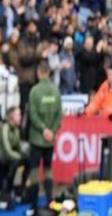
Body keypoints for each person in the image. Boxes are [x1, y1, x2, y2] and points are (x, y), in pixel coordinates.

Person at [27, 60, 62, 213]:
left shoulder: (34, 91)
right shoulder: (56, 91)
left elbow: (32, 115)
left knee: (34, 171)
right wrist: (52, 131)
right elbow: (59, 115)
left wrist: (43, 130)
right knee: (48, 170)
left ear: (38, 73)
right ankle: (49, 201)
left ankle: (34, 205)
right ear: (48, 72)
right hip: (50, 140)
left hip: (37, 138)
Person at [0, 106, 29, 198]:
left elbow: (18, 147)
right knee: (15, 161)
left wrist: (25, 155)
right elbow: (7, 150)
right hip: (2, 156)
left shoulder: (16, 130)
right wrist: (19, 157)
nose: (21, 117)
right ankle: (7, 189)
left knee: (28, 160)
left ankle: (22, 188)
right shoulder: (5, 128)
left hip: (9, 157)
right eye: (18, 114)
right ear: (12, 117)